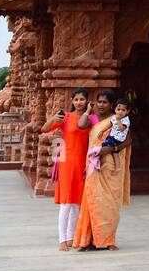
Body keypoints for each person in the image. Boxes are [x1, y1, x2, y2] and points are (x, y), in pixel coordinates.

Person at [73, 90, 132, 251]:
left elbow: (128, 140)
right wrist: (87, 110)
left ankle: (108, 240)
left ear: (112, 105)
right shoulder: (93, 119)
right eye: (99, 101)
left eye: (105, 102)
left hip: (111, 166)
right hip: (94, 165)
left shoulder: (118, 120)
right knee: (93, 201)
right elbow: (80, 124)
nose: (101, 105)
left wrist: (111, 148)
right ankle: (87, 240)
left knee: (109, 204)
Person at [45, 89, 96, 250]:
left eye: (82, 99)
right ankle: (62, 239)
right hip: (66, 163)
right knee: (66, 202)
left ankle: (71, 236)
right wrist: (53, 118)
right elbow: (44, 129)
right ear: (72, 101)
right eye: (76, 99)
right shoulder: (66, 117)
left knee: (77, 203)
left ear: (87, 101)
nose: (79, 102)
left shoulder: (91, 119)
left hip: (83, 163)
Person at [87, 96, 131, 174]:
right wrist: (102, 131)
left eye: (123, 110)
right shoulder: (114, 117)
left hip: (118, 139)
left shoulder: (125, 120)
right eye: (118, 109)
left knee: (103, 147)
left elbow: (121, 129)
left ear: (127, 112)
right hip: (112, 137)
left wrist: (118, 120)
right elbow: (110, 124)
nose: (120, 112)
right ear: (115, 109)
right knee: (114, 153)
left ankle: (98, 162)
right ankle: (117, 167)